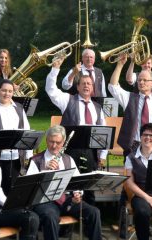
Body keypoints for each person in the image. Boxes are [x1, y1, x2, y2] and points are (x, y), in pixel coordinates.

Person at [45, 56, 108, 205]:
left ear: (92, 88)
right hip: (69, 151)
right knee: (69, 187)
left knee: (89, 188)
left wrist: (103, 154)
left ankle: (89, 218)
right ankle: (66, 224)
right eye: (83, 83)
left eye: (89, 84)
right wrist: (55, 69)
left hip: (90, 152)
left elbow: (103, 132)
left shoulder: (98, 108)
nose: (86, 86)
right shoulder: (67, 100)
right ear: (77, 87)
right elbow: (51, 89)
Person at [27, 125, 102, 240]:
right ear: (46, 140)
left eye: (58, 142)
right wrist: (45, 171)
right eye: (51, 141)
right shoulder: (36, 160)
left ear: (63, 143)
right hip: (45, 202)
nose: (54, 146)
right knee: (50, 216)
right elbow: (30, 187)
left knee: (94, 212)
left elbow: (77, 183)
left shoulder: (68, 159)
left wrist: (78, 193)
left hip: (67, 200)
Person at [108, 54, 152, 158]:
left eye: (145, 80)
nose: (141, 82)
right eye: (139, 80)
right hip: (132, 147)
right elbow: (113, 87)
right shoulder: (129, 98)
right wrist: (119, 65)